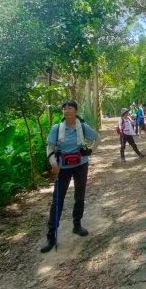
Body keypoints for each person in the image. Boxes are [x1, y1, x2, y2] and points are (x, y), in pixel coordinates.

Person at [42, 100, 101, 253]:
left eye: (70, 108)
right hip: (62, 168)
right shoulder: (56, 129)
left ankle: (77, 224)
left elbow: (97, 138)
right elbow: (50, 148)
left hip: (81, 165)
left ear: (75, 111)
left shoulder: (82, 126)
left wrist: (90, 151)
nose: (66, 110)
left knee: (79, 196)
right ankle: (51, 235)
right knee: (57, 200)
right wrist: (53, 163)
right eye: (64, 108)